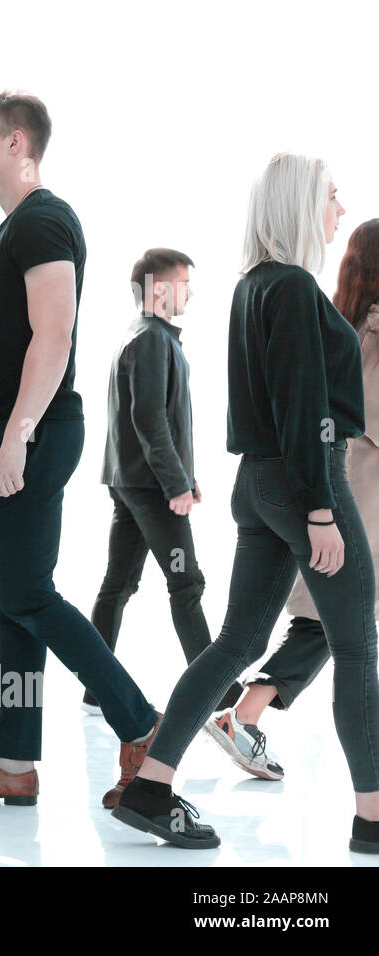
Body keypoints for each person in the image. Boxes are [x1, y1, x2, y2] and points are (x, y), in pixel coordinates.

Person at [114, 154, 379, 855]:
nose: (340, 209)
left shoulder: (253, 286)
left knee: (237, 642)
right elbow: (304, 408)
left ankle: (151, 786)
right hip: (300, 479)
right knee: (356, 645)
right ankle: (373, 820)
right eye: (331, 196)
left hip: (257, 483)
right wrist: (321, 508)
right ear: (299, 205)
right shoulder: (292, 288)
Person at [0, 91, 160, 810]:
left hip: (40, 429)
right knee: (8, 603)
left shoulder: (46, 220)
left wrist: (19, 435)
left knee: (26, 593)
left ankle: (142, 724)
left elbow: (53, 336)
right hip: (3, 432)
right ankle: (17, 762)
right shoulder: (3, 236)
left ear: (17, 142)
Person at [206, 219, 379, 782]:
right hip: (348, 489)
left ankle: (243, 715)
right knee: (342, 625)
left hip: (331, 484)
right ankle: (244, 714)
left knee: (335, 621)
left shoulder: (339, 313)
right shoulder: (366, 325)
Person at [88, 249, 241, 718]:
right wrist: (175, 485)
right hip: (151, 488)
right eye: (183, 283)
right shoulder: (152, 339)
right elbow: (149, 418)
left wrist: (187, 478)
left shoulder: (142, 337)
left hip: (132, 482)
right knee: (185, 581)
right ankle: (211, 685)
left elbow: (163, 419)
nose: (190, 292)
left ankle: (96, 687)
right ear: (159, 288)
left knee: (118, 584)